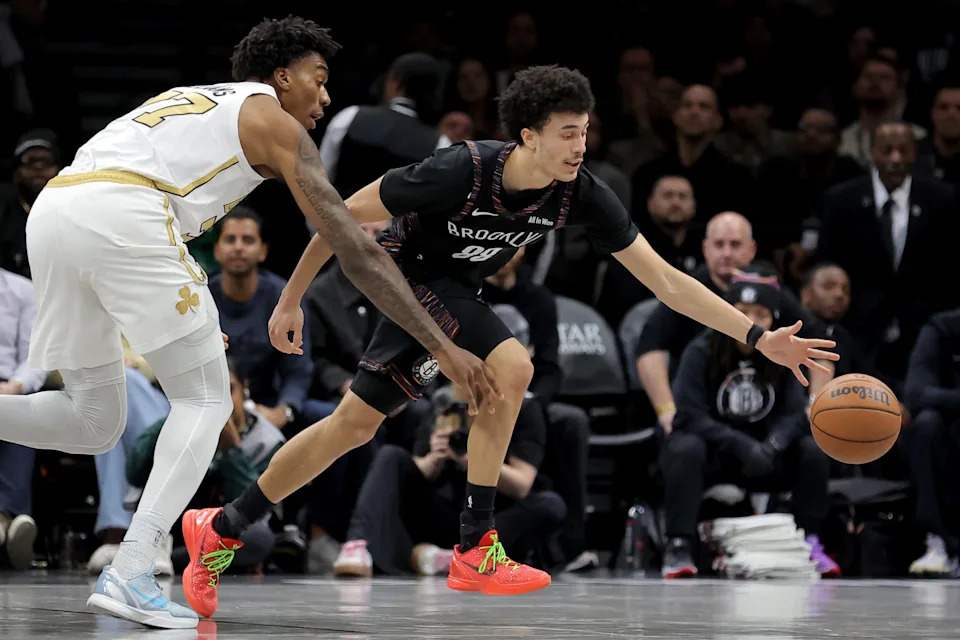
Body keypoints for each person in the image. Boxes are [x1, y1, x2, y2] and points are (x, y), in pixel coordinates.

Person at [183, 64, 838, 617]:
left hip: (449, 293)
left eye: (586, 131)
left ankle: (219, 527)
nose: (581, 145)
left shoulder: (581, 194)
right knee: (511, 366)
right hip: (404, 277)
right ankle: (475, 547)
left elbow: (666, 282)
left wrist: (756, 335)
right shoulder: (462, 171)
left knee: (351, 427)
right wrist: (291, 299)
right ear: (527, 136)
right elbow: (339, 212)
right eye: (567, 134)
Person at [0, 16, 495, 630]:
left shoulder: (195, 102)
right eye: (318, 79)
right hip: (127, 212)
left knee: (94, 421)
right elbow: (355, 247)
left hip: (57, 211)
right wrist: (439, 343)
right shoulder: (272, 119)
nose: (325, 96)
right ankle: (131, 570)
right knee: (207, 399)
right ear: (281, 77)